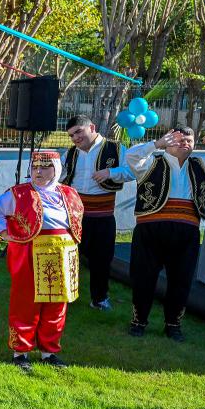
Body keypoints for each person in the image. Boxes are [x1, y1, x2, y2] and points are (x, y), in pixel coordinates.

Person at [0, 150, 84, 371]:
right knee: (26, 303)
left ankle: (49, 352)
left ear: (56, 169)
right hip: (30, 252)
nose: (38, 172)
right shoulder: (19, 194)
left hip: (61, 254)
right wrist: (4, 233)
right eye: (35, 167)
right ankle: (20, 352)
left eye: (45, 167)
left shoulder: (69, 193)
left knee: (57, 304)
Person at [123, 128, 205, 341]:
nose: (184, 143)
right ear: (166, 142)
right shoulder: (150, 163)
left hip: (187, 234)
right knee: (143, 278)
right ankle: (139, 322)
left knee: (181, 280)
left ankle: (173, 325)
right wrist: (155, 144)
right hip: (150, 231)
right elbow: (130, 155)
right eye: (177, 140)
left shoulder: (203, 165)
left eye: (189, 140)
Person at [60, 115, 134, 311]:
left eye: (78, 132)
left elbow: (133, 171)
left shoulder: (116, 149)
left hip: (103, 216)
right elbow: (58, 177)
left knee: (102, 260)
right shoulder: (70, 153)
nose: (75, 138)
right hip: (74, 216)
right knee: (69, 256)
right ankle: (66, 296)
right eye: (71, 135)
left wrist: (111, 173)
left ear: (92, 127)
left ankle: (99, 298)